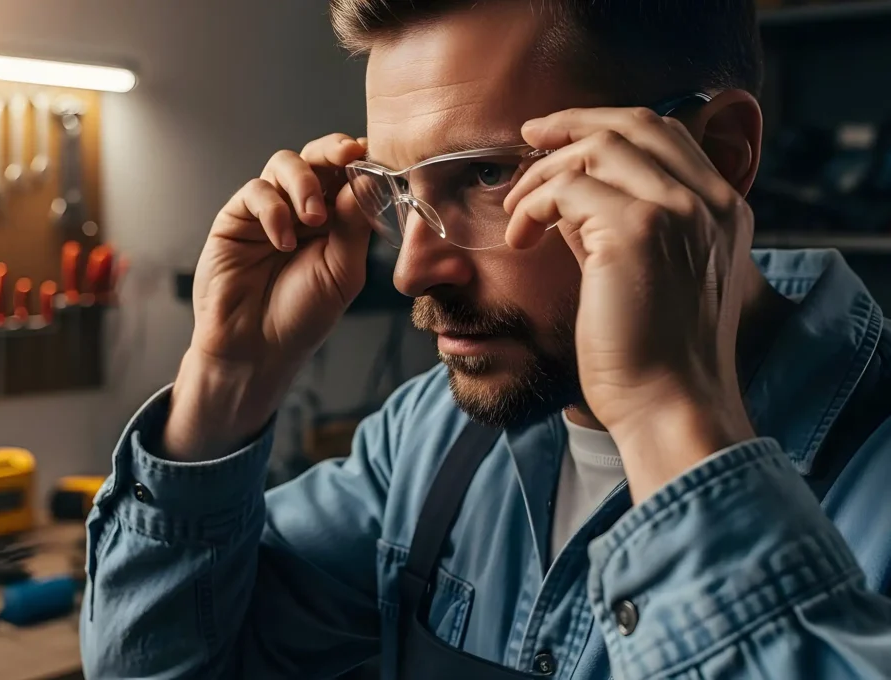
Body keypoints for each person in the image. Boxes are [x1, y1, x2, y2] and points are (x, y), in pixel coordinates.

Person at [80, 1, 891, 677]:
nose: (412, 271)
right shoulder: (428, 438)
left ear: (715, 156)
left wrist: (668, 415)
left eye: (489, 175)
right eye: (397, 190)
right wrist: (226, 379)